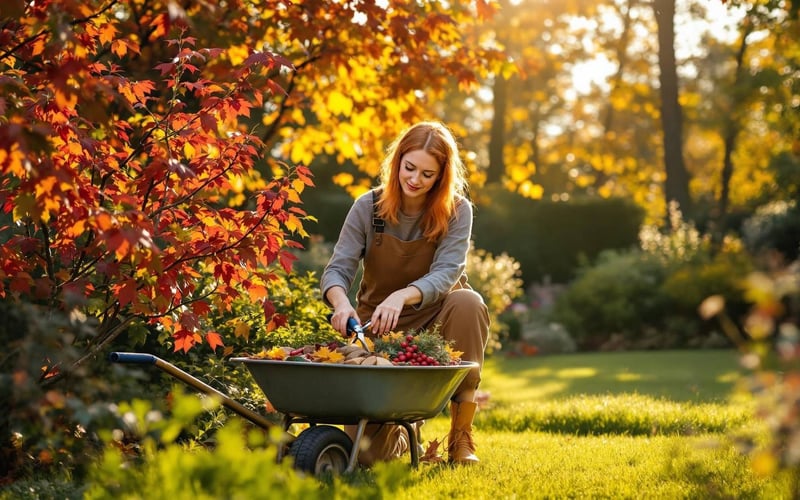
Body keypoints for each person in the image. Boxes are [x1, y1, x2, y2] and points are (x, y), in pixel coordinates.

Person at [320, 121, 490, 466]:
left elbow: (447, 273)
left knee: (468, 301)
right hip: (379, 328)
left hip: (437, 316)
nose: (414, 179)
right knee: (368, 456)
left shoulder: (457, 211)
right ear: (397, 161)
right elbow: (337, 269)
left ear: (441, 176)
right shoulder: (368, 207)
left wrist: (402, 295)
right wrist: (340, 304)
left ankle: (461, 439)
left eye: (427, 174)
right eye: (409, 168)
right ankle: (407, 425)